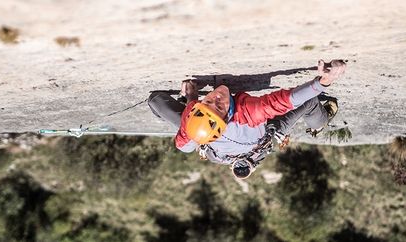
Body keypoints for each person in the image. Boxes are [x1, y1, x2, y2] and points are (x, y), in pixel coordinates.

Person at [148, 59, 347, 179]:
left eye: (207, 102)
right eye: (220, 106)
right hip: (258, 136)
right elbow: (286, 101)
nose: (216, 96)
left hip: (208, 138)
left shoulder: (192, 120)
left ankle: (319, 122)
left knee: (155, 100)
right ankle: (319, 123)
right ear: (227, 117)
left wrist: (190, 100)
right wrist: (324, 82)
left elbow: (185, 146)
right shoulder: (250, 113)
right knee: (311, 101)